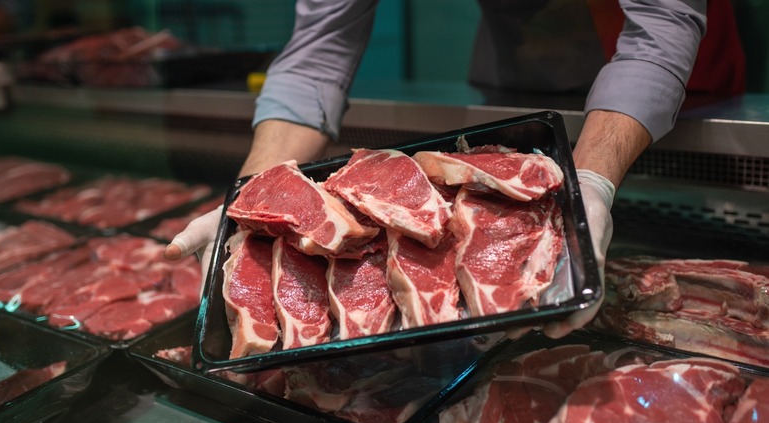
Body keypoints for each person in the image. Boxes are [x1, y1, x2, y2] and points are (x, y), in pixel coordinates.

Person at [164, 0, 744, 338]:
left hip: (664, 89)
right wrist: (253, 195)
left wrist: (590, 184)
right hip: (521, 63)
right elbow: (318, 53)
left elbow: (660, 29)